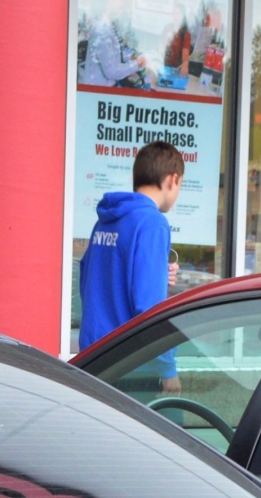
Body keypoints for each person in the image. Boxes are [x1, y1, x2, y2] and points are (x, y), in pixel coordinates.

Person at [77, 139, 184, 353]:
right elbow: (149, 308)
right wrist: (167, 367)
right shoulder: (152, 222)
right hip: (128, 359)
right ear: (173, 180)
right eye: (180, 184)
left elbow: (89, 277)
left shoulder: (106, 220)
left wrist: (157, 275)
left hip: (92, 351)